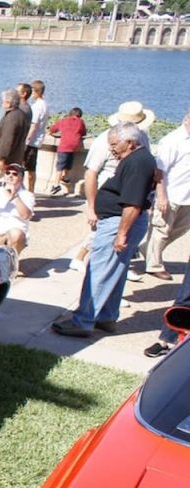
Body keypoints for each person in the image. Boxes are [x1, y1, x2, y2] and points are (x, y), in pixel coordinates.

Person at [52, 122, 158, 337]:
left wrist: (121, 234)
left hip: (119, 223)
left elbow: (133, 204)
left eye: (114, 144)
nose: (112, 149)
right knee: (115, 272)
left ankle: (83, 321)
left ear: (129, 142)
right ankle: (106, 317)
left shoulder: (138, 163)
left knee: (98, 271)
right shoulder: (138, 159)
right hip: (120, 222)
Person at [73, 101, 154, 273]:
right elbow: (90, 174)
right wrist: (92, 207)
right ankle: (84, 262)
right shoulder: (105, 140)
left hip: (131, 194)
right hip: (110, 193)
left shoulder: (142, 139)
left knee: (112, 245)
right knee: (101, 240)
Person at [142, 108, 190, 281]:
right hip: (172, 193)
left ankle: (147, 249)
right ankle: (154, 265)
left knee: (181, 229)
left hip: (187, 195)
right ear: (187, 119)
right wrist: (161, 196)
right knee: (161, 229)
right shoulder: (172, 140)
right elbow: (159, 171)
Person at [47, 107, 86, 196]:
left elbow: (53, 129)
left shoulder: (63, 120)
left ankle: (56, 185)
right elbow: (84, 132)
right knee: (68, 164)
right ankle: (66, 178)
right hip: (74, 146)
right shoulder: (80, 122)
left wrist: (50, 130)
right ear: (79, 115)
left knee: (60, 166)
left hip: (64, 146)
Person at [0, 89, 26, 177]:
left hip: (5, 160)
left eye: (3, 102)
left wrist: (2, 159)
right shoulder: (21, 115)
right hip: (16, 158)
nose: (2, 104)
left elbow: (7, 140)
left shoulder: (11, 118)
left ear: (8, 103)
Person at [24, 80, 48, 192]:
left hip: (31, 141)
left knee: (26, 168)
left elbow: (33, 125)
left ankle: (28, 191)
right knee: (31, 168)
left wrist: (26, 140)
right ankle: (31, 190)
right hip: (37, 141)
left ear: (35, 91)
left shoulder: (37, 107)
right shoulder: (45, 105)